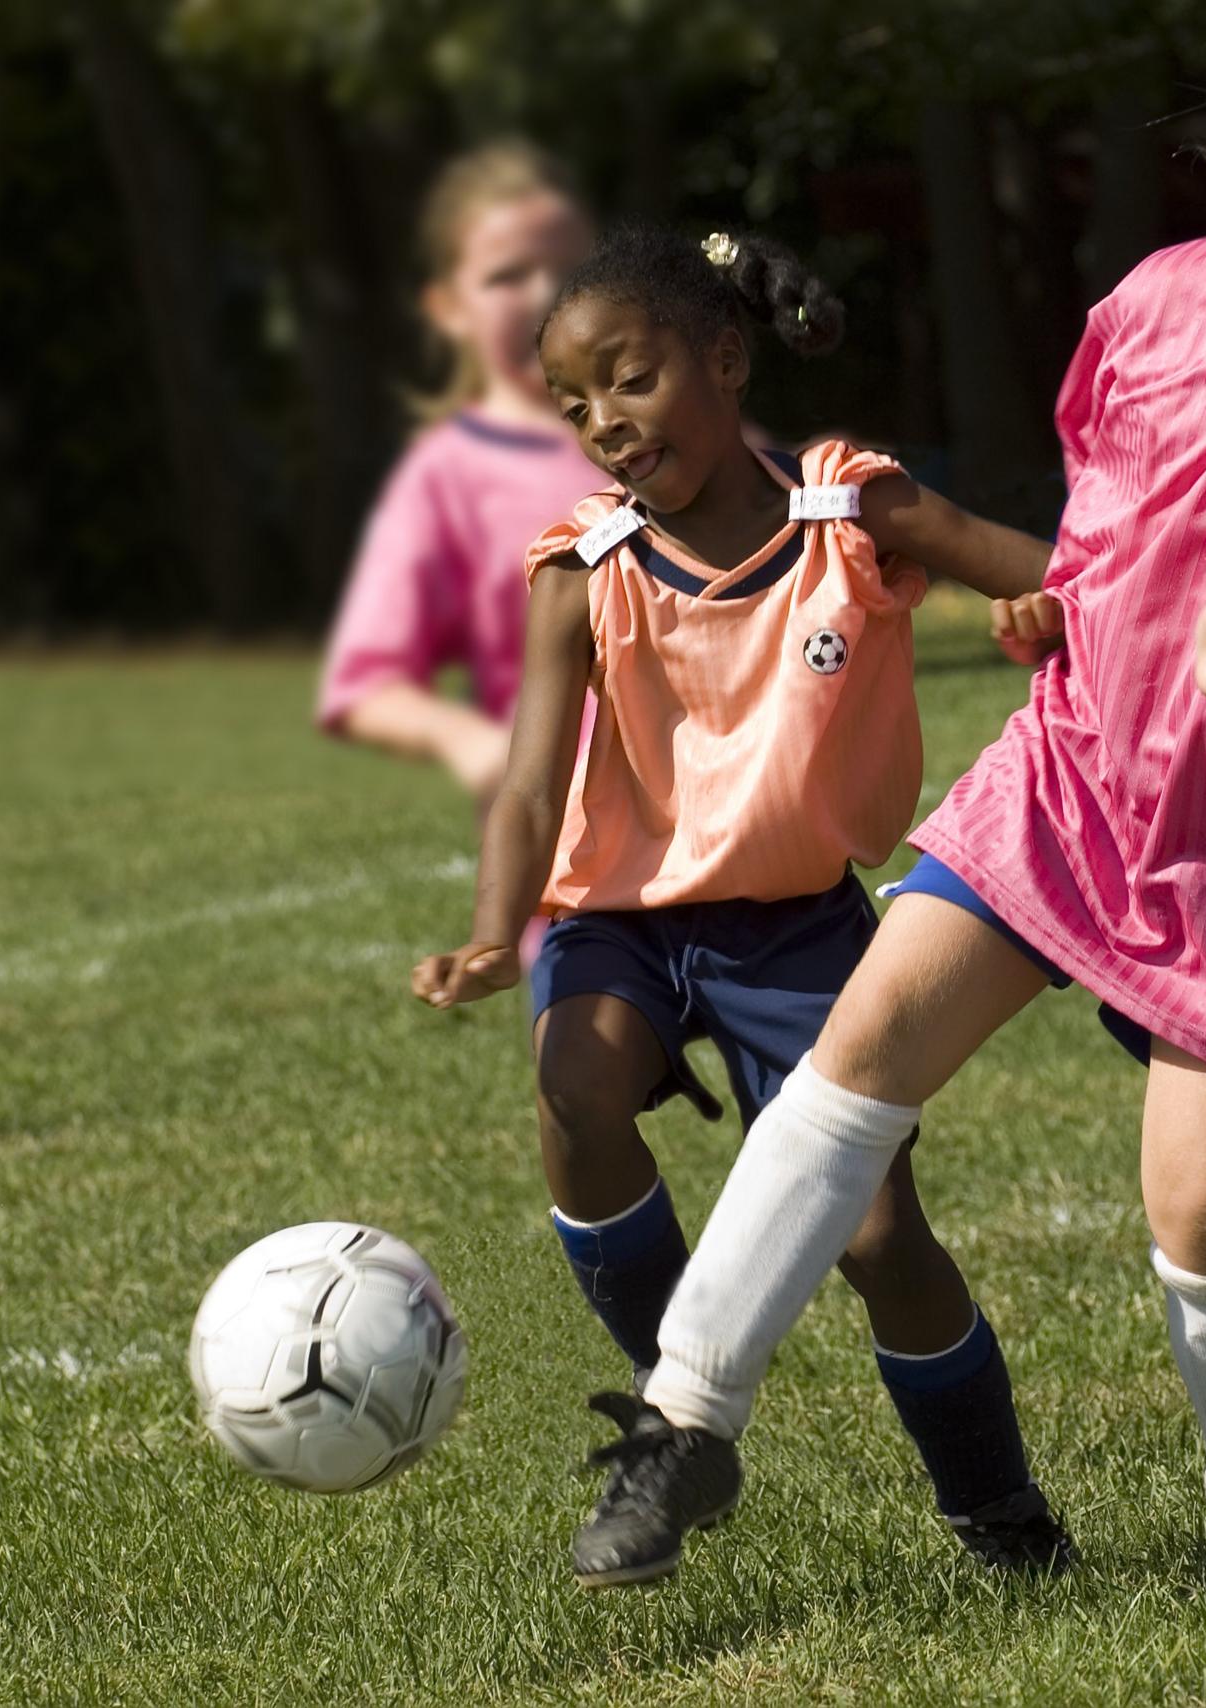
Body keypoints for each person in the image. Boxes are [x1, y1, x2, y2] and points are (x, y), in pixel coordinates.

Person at [568, 9, 1206, 1588]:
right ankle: (682, 1425)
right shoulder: (1156, 305)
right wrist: (1065, 606)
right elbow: (1106, 515)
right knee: (862, 1053)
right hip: (1073, 775)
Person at [412, 223, 1074, 1586]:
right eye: (575, 402)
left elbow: (1050, 579)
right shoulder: (581, 571)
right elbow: (532, 782)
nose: (604, 421)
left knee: (884, 1240)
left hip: (804, 926)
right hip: (627, 919)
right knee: (575, 1086)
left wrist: (1048, 616)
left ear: (724, 357)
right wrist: (497, 927)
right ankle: (680, 1413)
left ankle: (998, 1509)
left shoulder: (856, 516)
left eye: (631, 379)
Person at [317, 141, 599, 803]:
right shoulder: (446, 477)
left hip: (736, 845)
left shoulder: (691, 434)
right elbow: (365, 684)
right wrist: (468, 741)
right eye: (507, 276)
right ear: (447, 308)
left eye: (572, 270)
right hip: (572, 873)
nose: (545, 294)